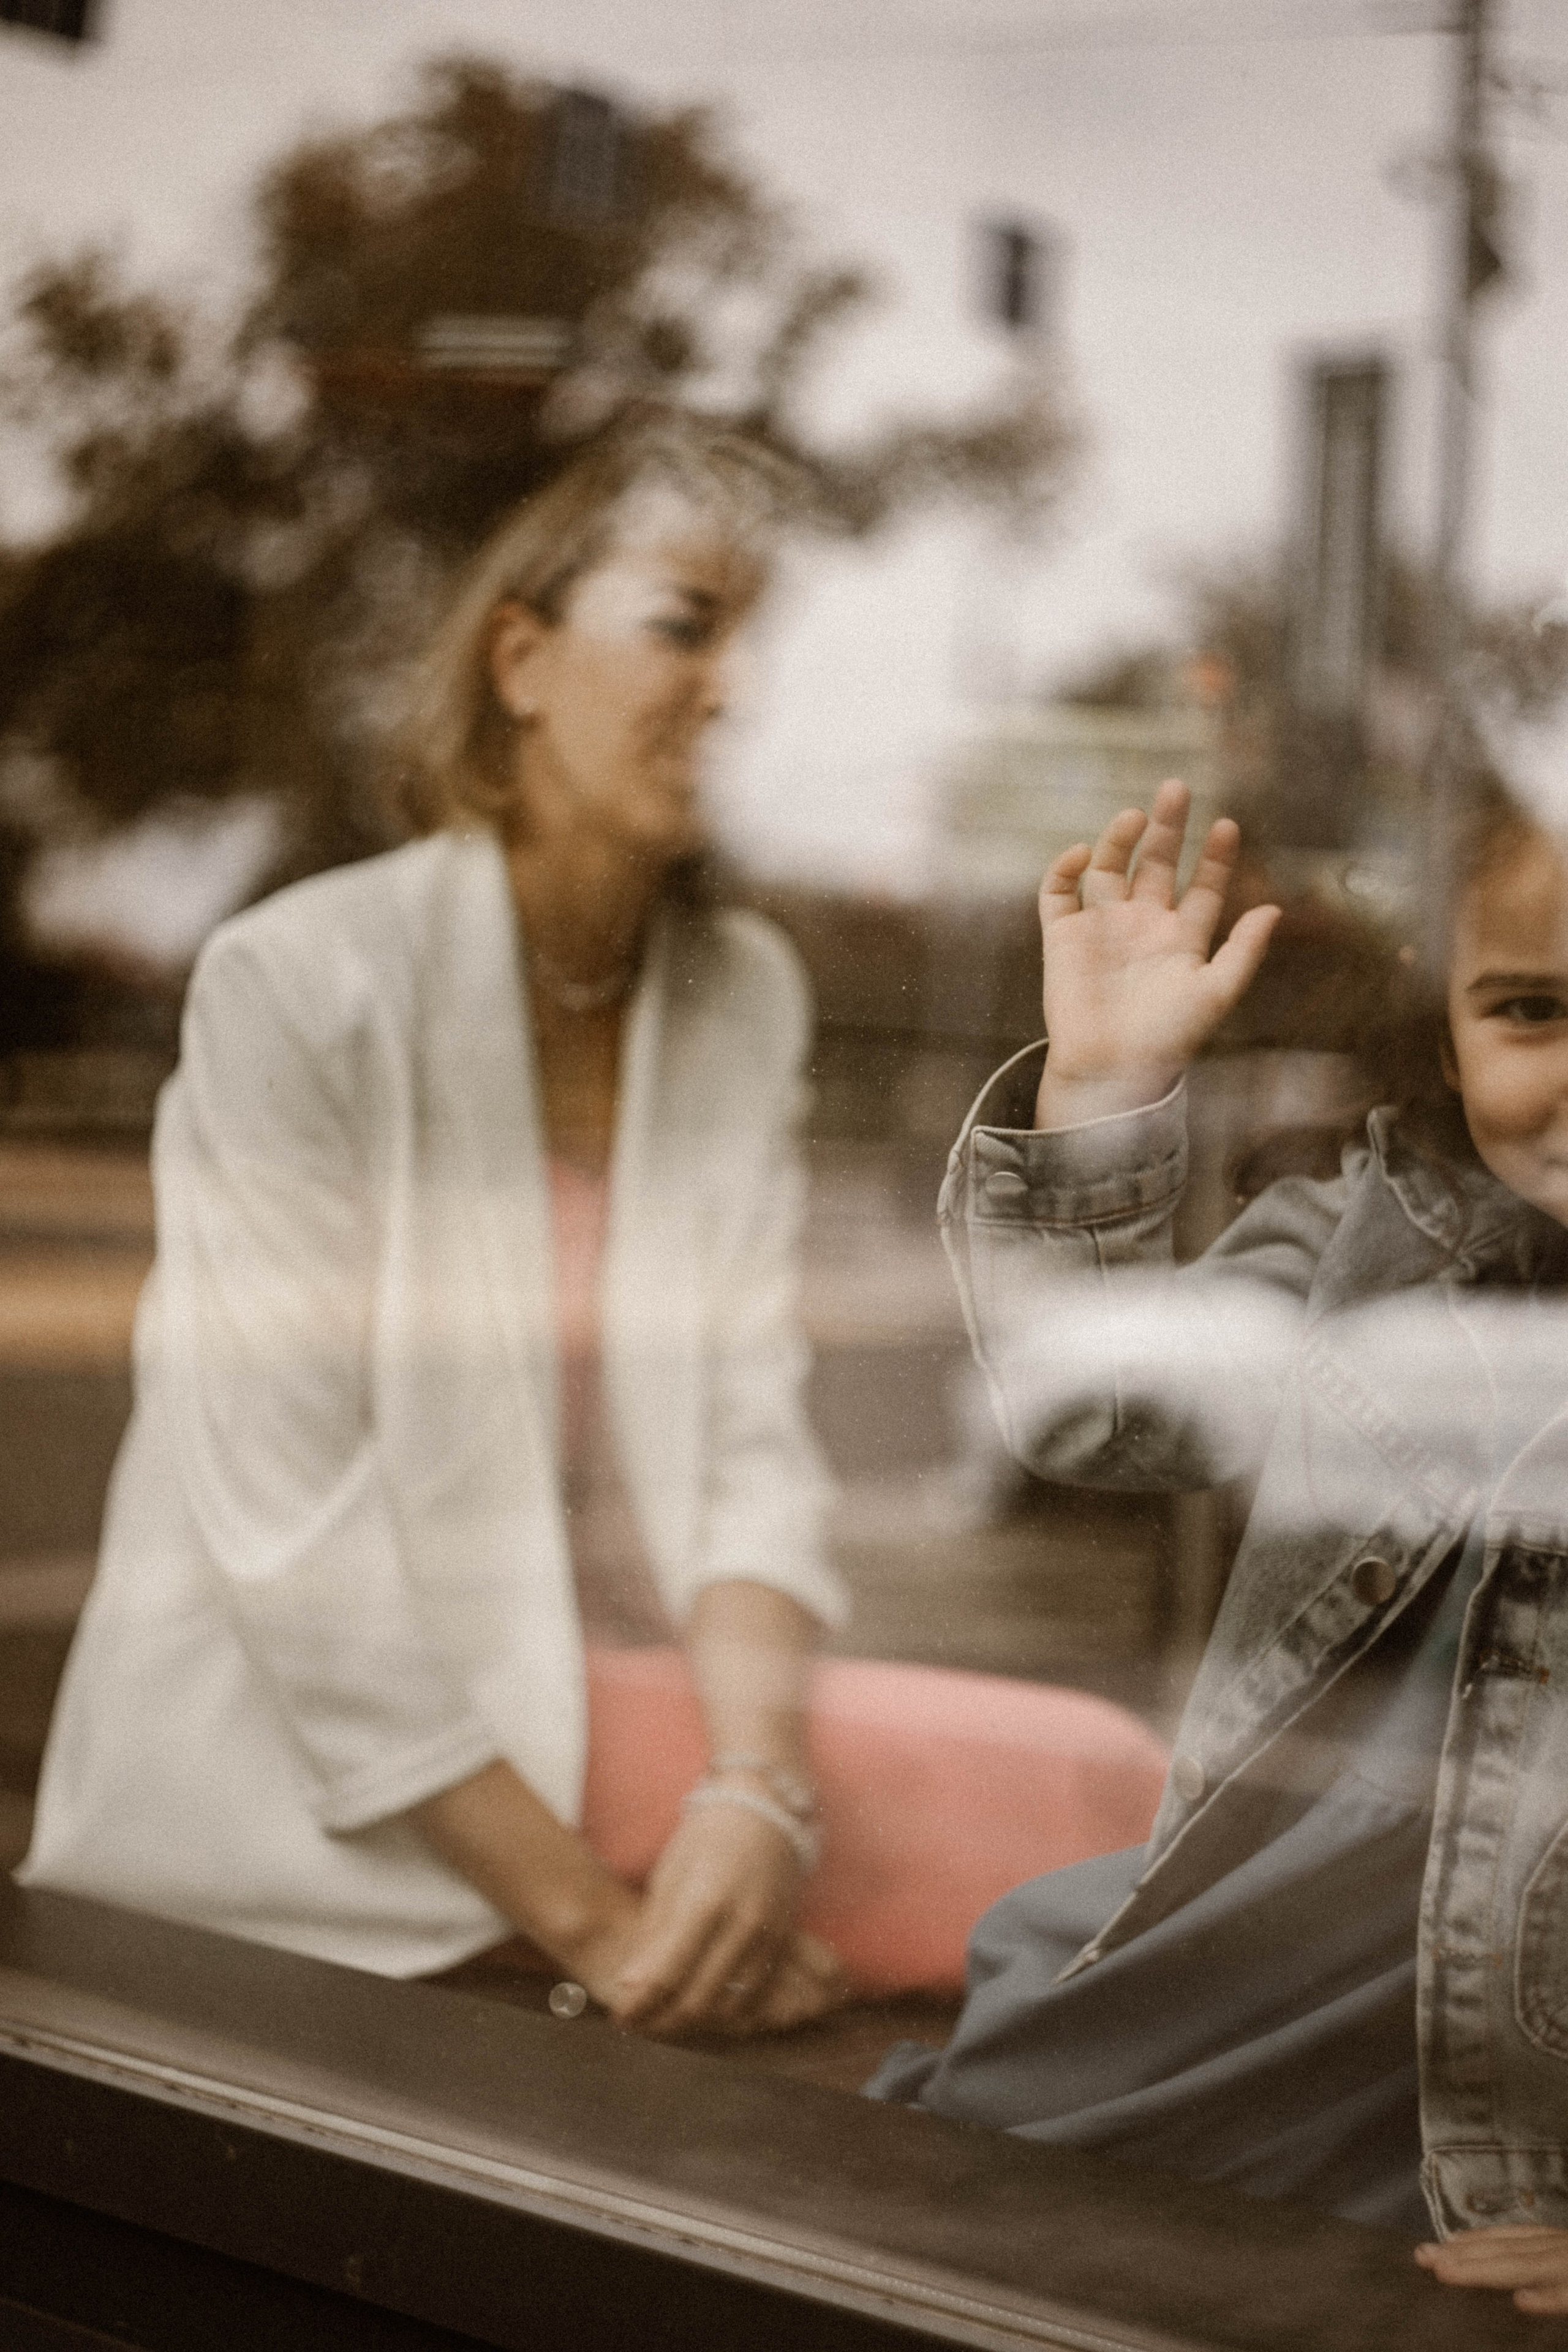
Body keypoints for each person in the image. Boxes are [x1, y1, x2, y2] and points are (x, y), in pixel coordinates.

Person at [18, 413, 1169, 2039]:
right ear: (522, 658)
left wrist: (757, 1794)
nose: (734, 689)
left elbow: (749, 1456)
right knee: (1099, 1823)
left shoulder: (736, 993)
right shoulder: (301, 980)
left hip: (620, 1705)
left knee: (1118, 1808)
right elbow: (293, 1548)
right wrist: (608, 1932)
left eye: (761, 648)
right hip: (331, 1765)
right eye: (685, 626)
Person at [869, 758, 1568, 2315]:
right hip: (1222, 2037)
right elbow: (1093, 1418)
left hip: (1507, 2154)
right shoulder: (1356, 1230)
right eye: (1529, 1010)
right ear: (1445, 1028)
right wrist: (1101, 1095)